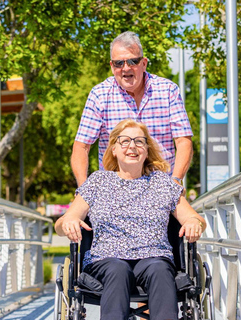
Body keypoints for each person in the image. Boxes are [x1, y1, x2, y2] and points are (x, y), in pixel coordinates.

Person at [56, 119, 206, 320]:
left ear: (146, 149)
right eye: (125, 141)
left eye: (139, 141)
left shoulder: (162, 182)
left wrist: (193, 223)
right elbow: (61, 224)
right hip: (107, 260)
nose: (132, 146)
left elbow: (194, 218)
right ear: (114, 149)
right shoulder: (98, 182)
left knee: (160, 269)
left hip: (153, 257)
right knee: (118, 269)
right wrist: (68, 222)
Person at [72, 31, 193, 187]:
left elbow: (184, 141)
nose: (125, 68)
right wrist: (84, 190)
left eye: (132, 61)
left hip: (160, 190)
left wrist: (175, 182)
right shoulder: (99, 95)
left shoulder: (168, 91)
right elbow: (81, 146)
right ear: (111, 66)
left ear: (144, 63)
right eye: (119, 63)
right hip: (114, 192)